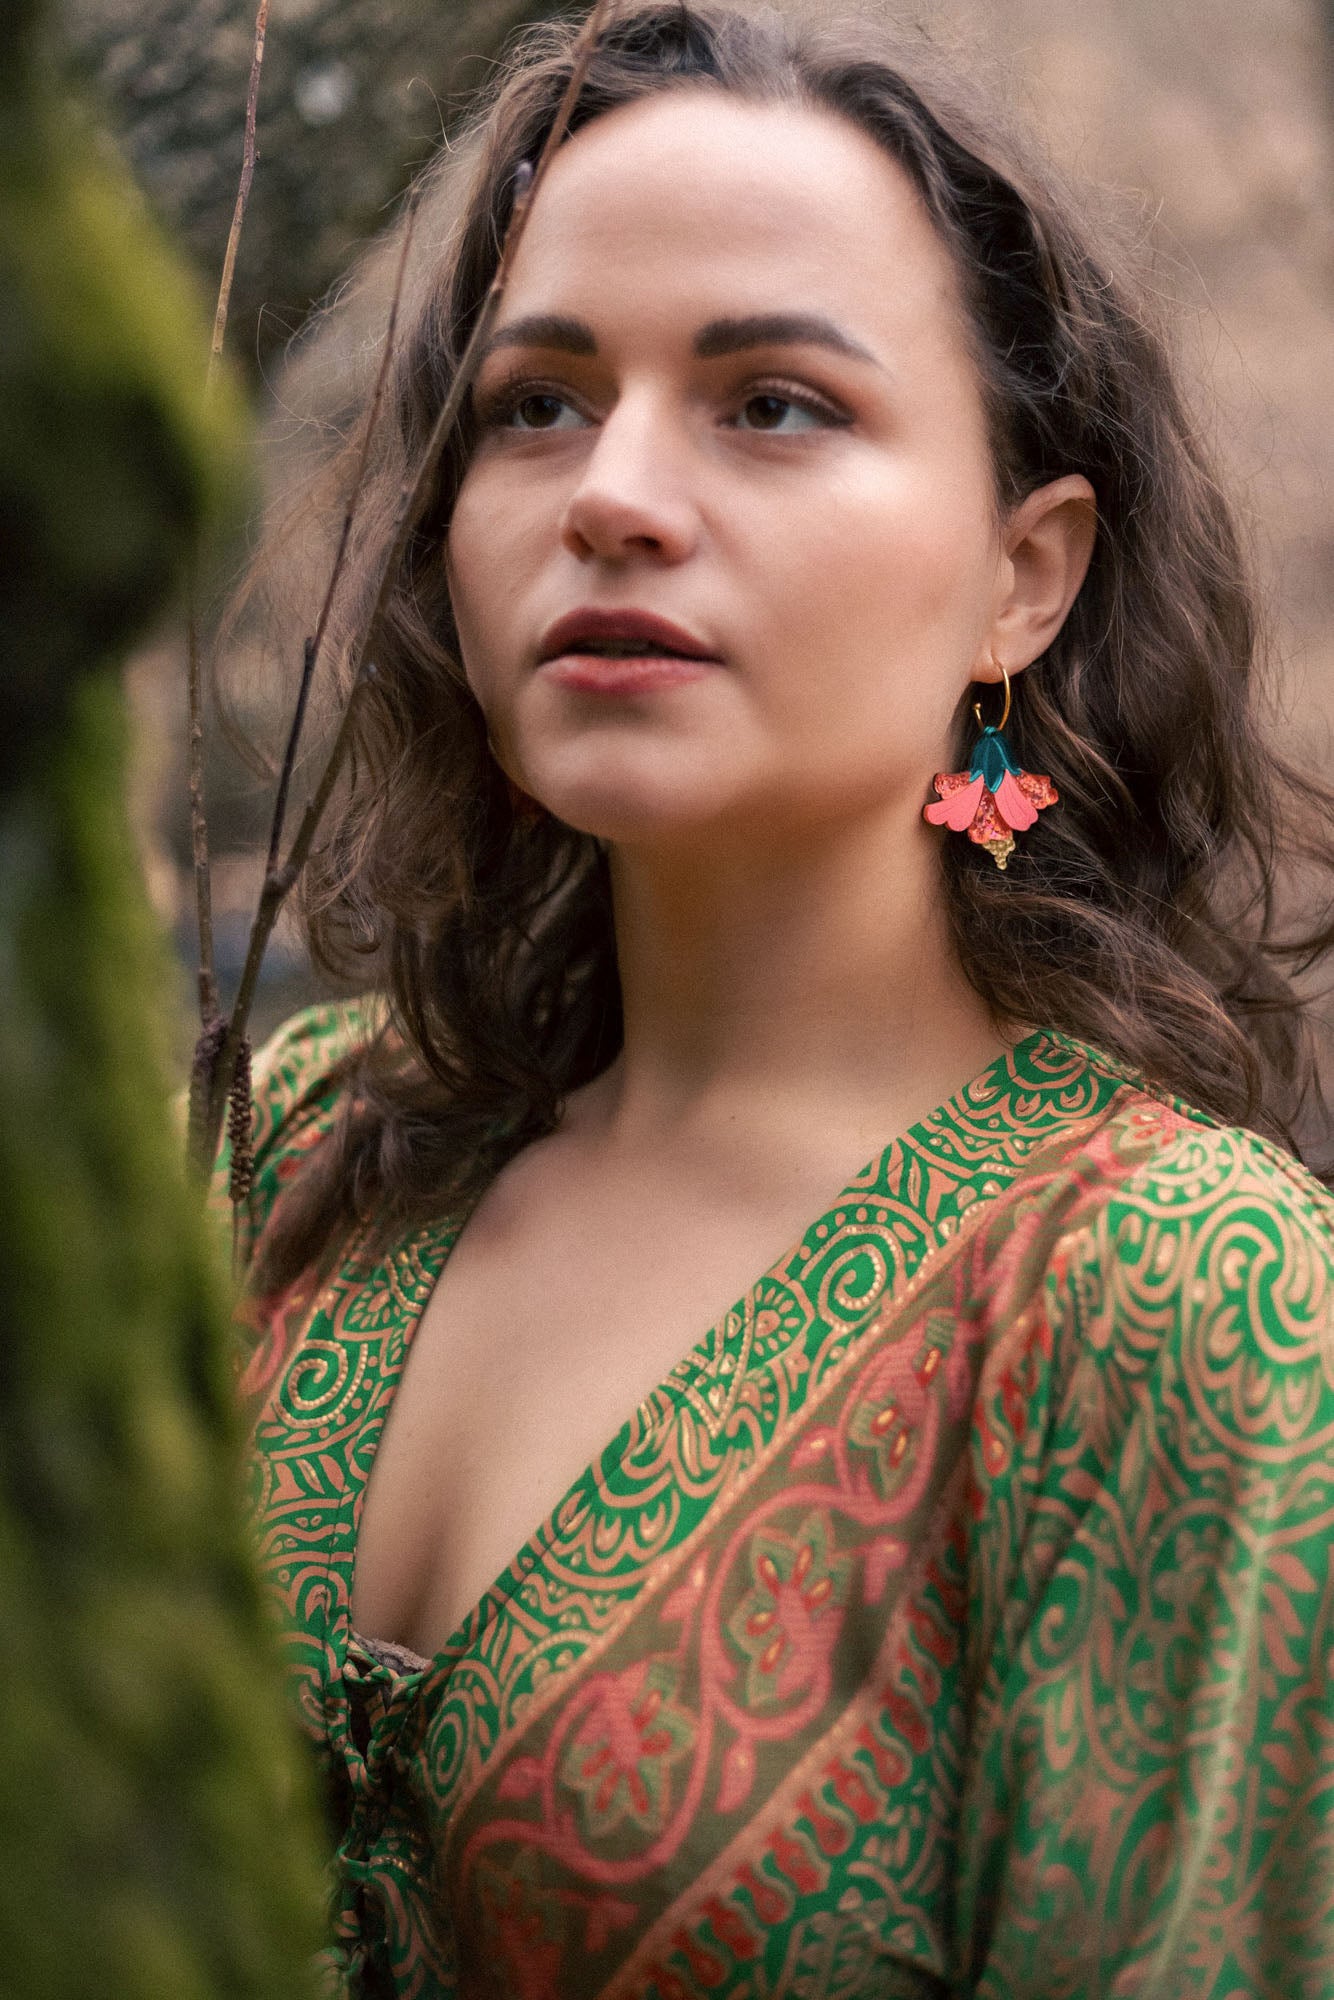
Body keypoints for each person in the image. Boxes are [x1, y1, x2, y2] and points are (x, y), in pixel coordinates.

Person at [224, 4, 1334, 1994]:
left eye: (775, 406)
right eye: (534, 404)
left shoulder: (1160, 1294)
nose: (612, 493)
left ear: (1025, 576)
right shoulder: (287, 1156)